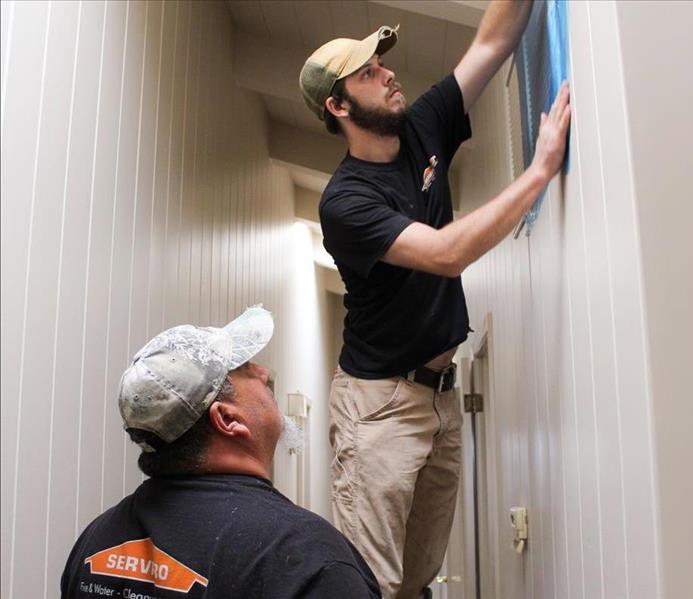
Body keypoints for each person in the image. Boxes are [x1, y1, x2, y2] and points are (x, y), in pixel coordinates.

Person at [298, 2, 570, 597]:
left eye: (381, 63)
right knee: (371, 585)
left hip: (441, 399)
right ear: (338, 108)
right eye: (368, 72)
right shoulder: (345, 203)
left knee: (418, 582)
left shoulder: (422, 124)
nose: (388, 73)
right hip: (380, 407)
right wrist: (540, 170)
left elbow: (490, 43)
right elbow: (446, 252)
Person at [60, 306, 381, 598]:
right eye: (245, 369)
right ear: (228, 419)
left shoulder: (97, 541)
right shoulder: (305, 557)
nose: (263, 373)